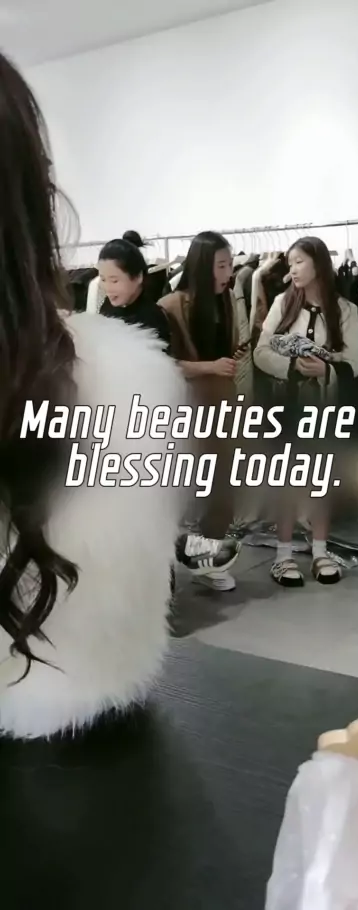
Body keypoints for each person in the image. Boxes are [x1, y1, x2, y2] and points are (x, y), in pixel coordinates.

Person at [0, 51, 184, 739]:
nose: (107, 286)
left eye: (115, 277)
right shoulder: (126, 375)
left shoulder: (131, 352)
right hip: (85, 728)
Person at [254, 236, 358, 588]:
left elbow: (355, 363)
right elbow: (260, 352)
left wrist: (327, 370)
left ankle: (320, 550)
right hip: (287, 405)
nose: (293, 269)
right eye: (290, 263)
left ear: (318, 263)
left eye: (299, 261)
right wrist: (292, 368)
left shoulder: (345, 310)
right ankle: (283, 556)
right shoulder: (282, 302)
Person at [159, 231, 243, 592]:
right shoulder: (170, 306)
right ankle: (164, 564)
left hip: (223, 405)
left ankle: (209, 560)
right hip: (186, 407)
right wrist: (209, 367)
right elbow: (164, 363)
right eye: (221, 265)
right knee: (179, 490)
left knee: (224, 487)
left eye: (230, 264)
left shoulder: (227, 301)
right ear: (202, 265)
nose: (229, 272)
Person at [98, 236, 169, 337]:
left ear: (138, 277)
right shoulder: (107, 307)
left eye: (114, 281)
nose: (107, 288)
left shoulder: (152, 319)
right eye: (103, 279)